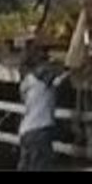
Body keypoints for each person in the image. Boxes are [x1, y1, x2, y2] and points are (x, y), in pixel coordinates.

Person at [17, 43, 67, 172]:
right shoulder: (43, 78)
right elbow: (57, 81)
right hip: (40, 132)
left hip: (25, 132)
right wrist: (71, 70)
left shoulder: (26, 81)